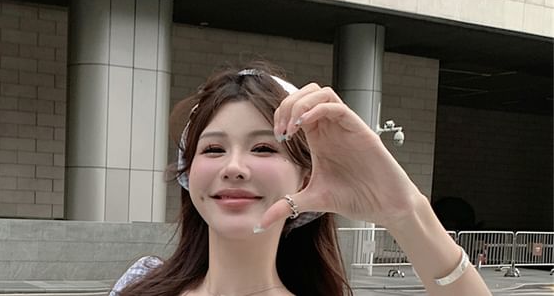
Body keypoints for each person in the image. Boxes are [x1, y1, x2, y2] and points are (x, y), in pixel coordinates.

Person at [110, 62, 490, 296]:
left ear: (305, 175)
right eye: (213, 149)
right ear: (188, 171)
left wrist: (405, 210)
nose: (234, 167)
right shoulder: (138, 286)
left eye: (263, 148)